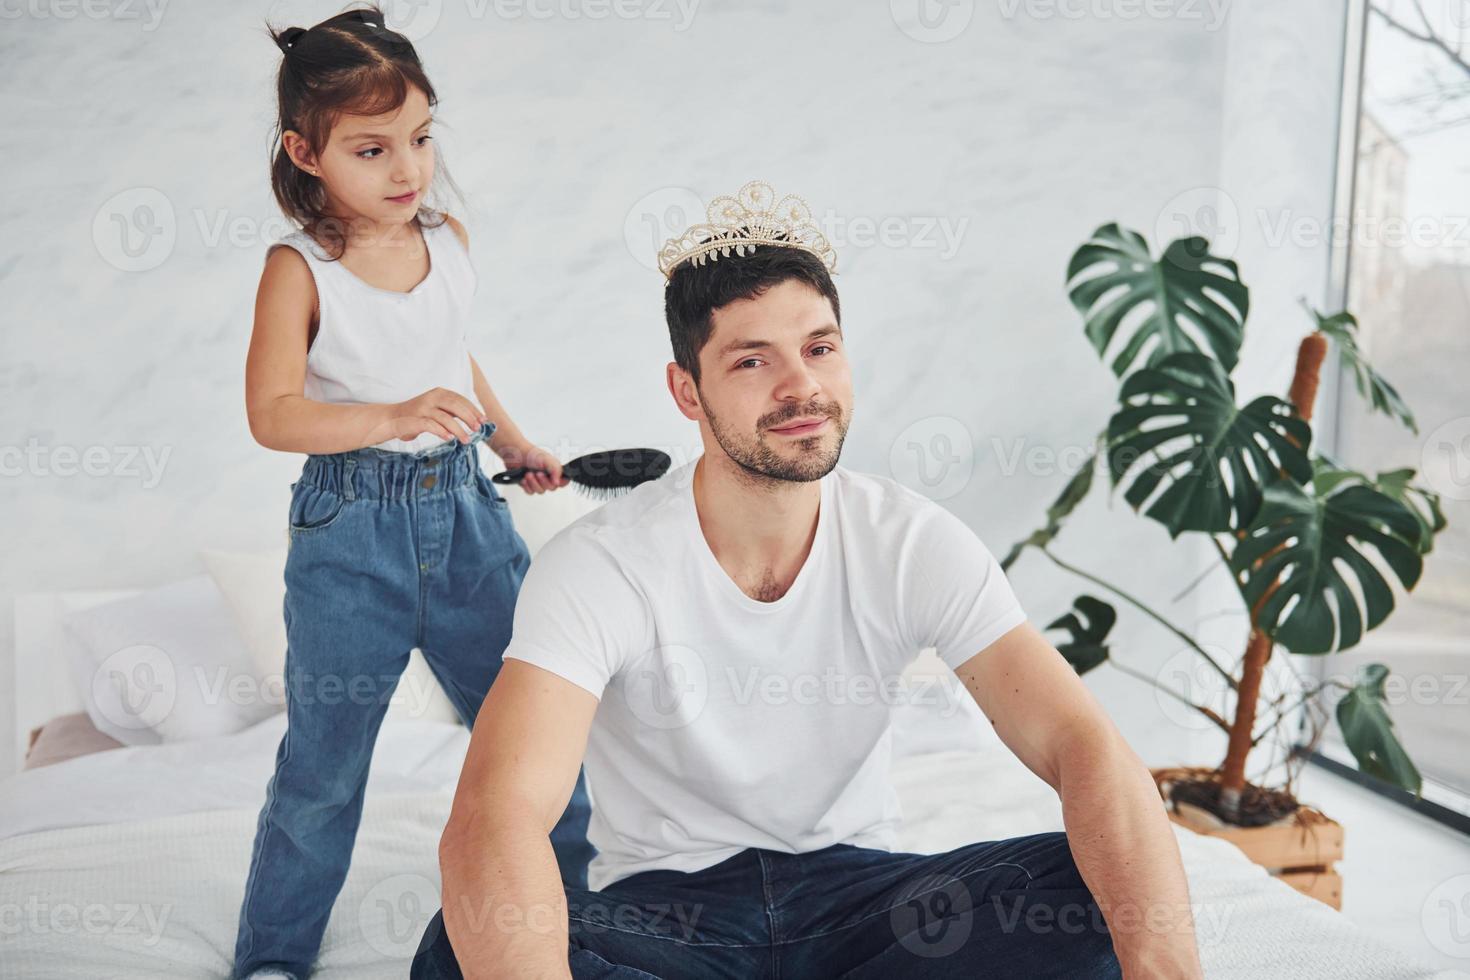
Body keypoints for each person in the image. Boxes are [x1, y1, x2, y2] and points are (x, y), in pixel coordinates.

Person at [415, 181, 1204, 978]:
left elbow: (1083, 746)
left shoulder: (912, 541)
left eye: (820, 348)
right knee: (460, 945)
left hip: (872, 910)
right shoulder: (600, 563)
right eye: (753, 360)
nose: (801, 386)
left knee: (1098, 891)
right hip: (672, 921)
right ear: (687, 391)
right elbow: (498, 813)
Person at [235, 8, 593, 977]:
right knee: (323, 769)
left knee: (537, 739)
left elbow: (453, 357)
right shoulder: (298, 268)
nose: (408, 168)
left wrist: (511, 440)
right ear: (305, 152)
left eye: (422, 138)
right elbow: (272, 412)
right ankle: (273, 955)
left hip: (468, 515)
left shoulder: (448, 237)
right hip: (351, 531)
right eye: (372, 147)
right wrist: (391, 415)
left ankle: (580, 929)